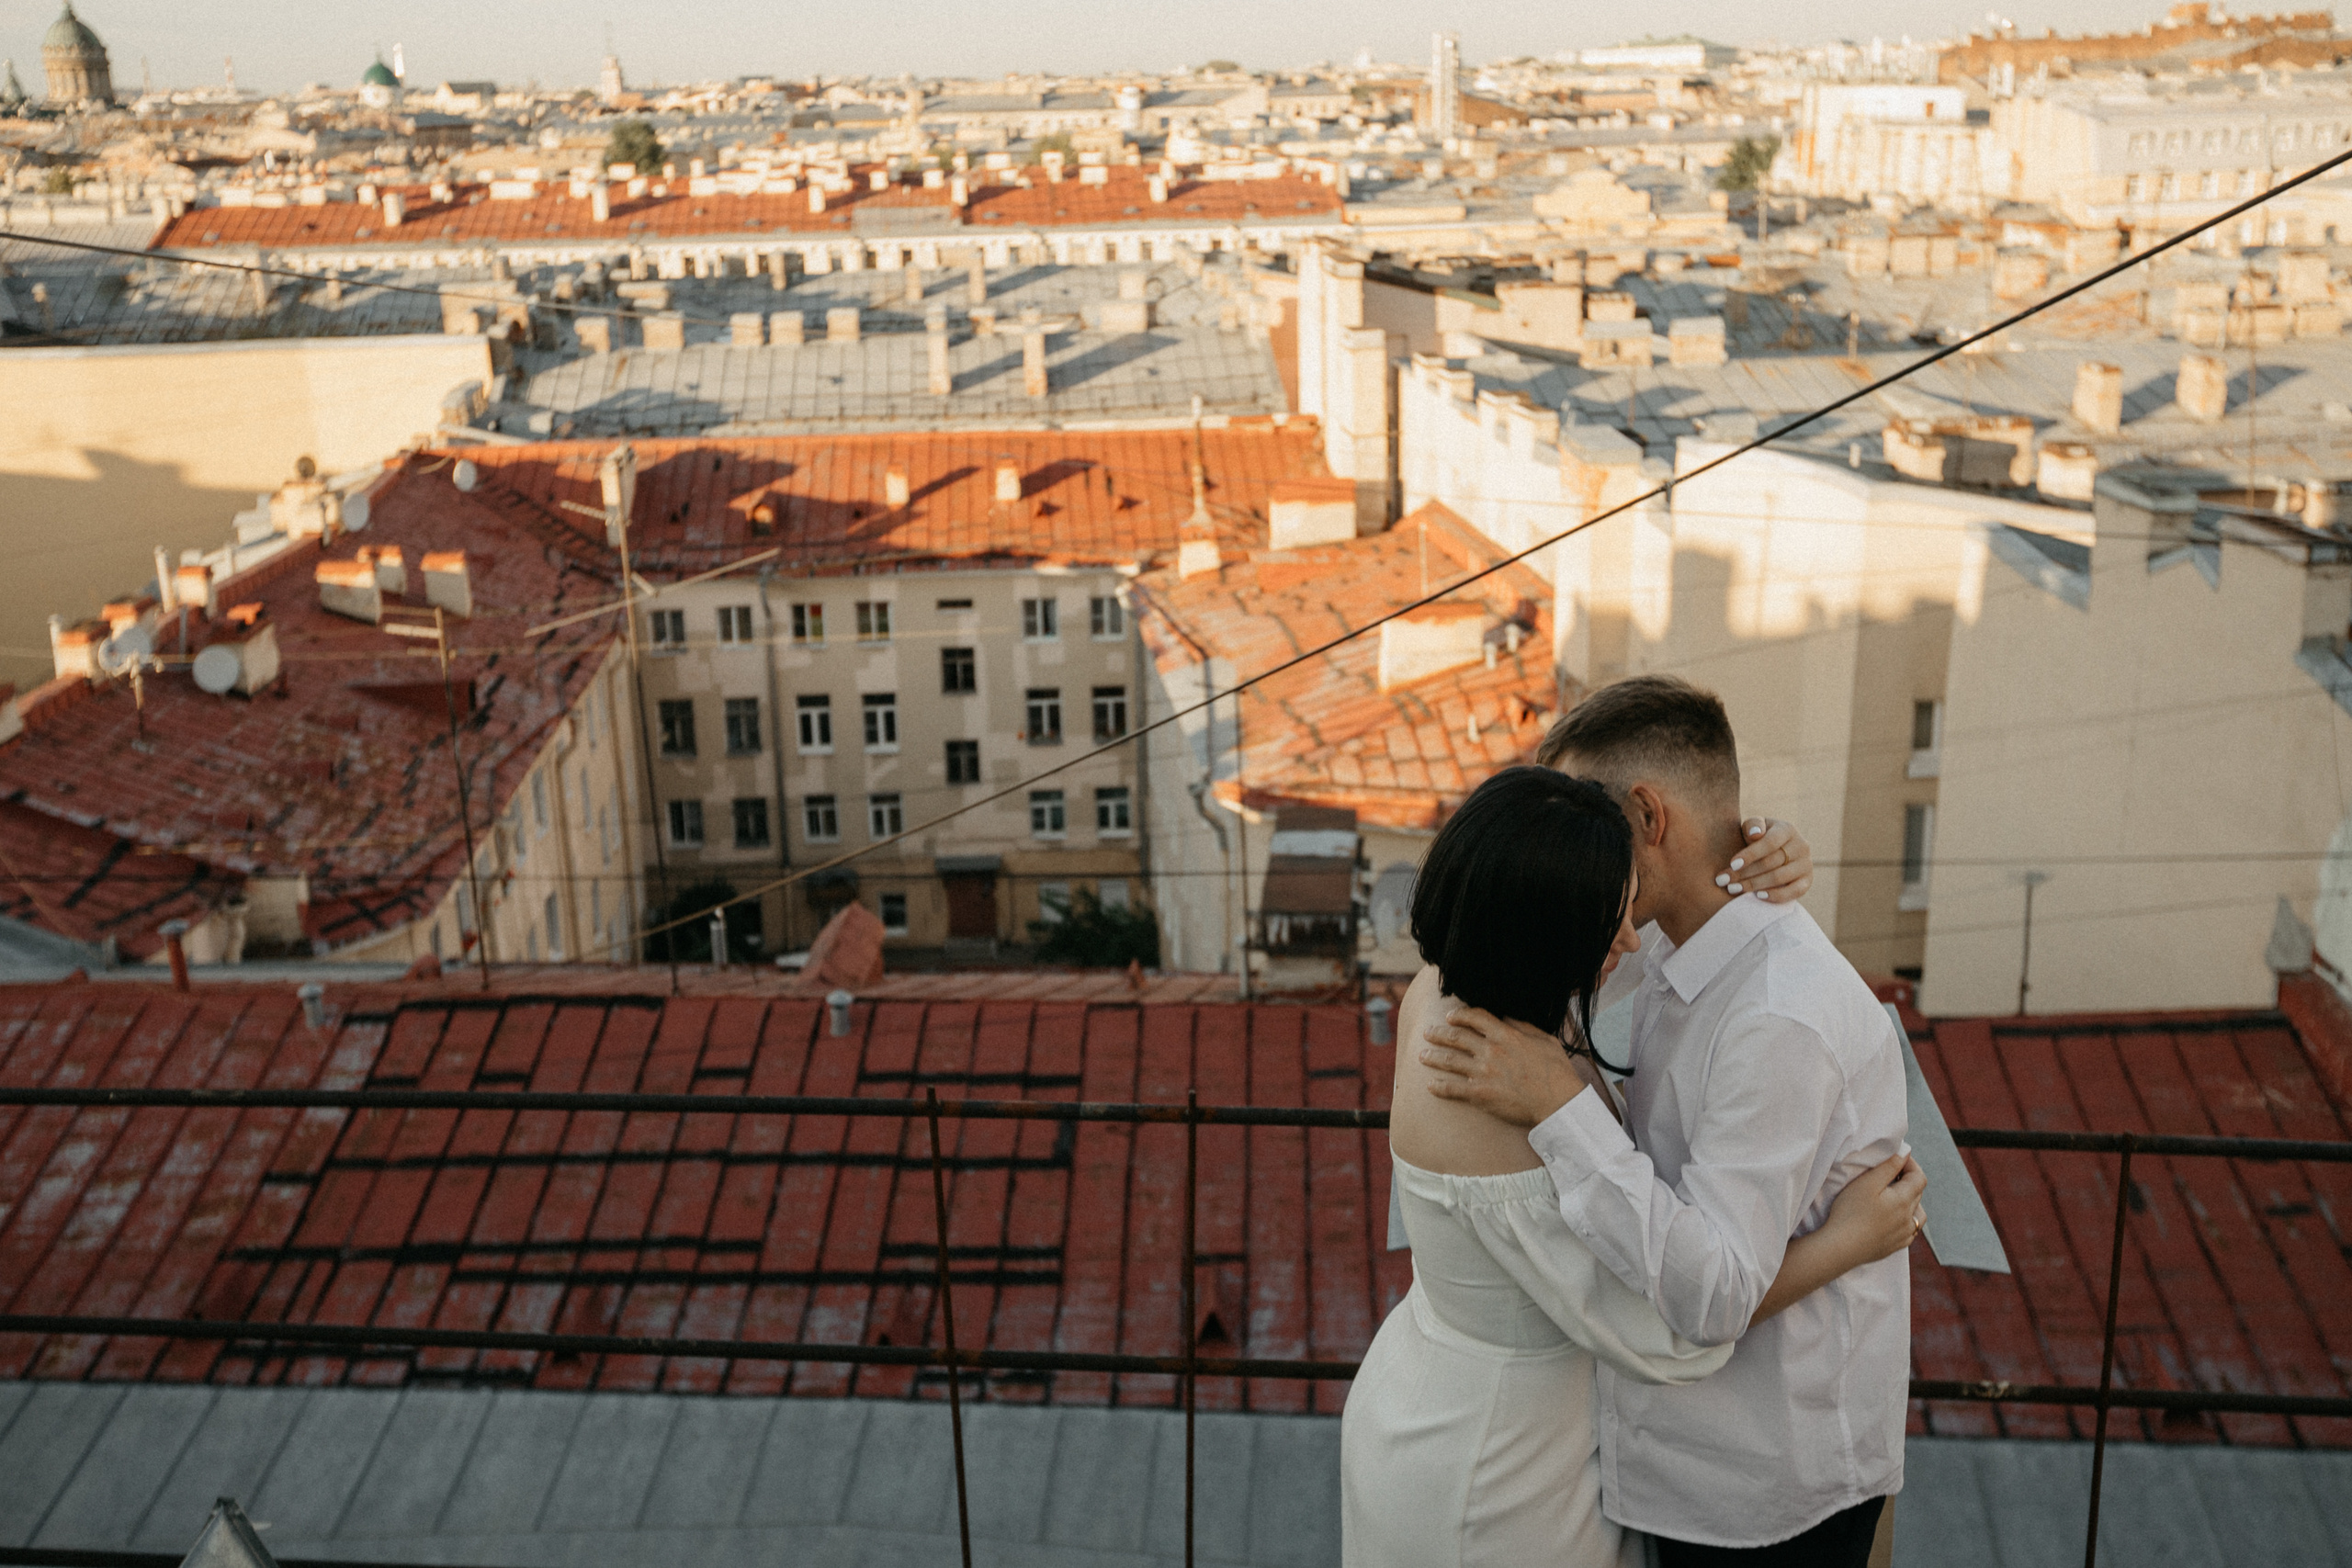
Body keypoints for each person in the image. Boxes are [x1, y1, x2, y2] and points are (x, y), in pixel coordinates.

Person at [1341, 765, 1927, 1568]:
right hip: (1498, 1473)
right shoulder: (1491, 1105)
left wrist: (1763, 856)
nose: (1629, 939)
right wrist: (1850, 1240)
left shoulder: (1448, 988)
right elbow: (1673, 1332)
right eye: (1608, 920)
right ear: (1542, 935)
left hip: (1445, 1400)